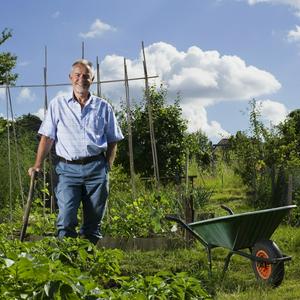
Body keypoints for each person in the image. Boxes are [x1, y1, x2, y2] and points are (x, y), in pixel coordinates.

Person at [28, 59, 124, 244]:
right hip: (67, 169)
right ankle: (67, 263)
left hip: (96, 168)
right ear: (71, 78)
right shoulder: (58, 105)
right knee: (66, 219)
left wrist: (107, 167)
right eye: (78, 75)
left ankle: (87, 261)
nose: (82, 79)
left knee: (93, 222)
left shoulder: (103, 107)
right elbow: (47, 137)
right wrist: (37, 165)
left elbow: (113, 140)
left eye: (86, 76)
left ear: (92, 79)